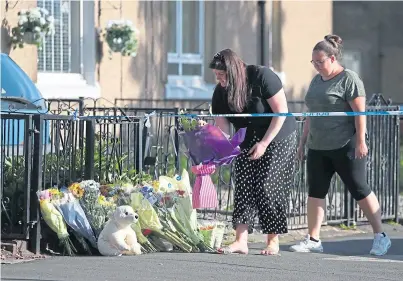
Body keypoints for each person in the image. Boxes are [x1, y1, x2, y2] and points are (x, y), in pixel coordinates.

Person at [289, 35, 391, 256]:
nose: (316, 66)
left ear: (332, 58)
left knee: (359, 188)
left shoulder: (349, 79)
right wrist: (302, 143)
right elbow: (311, 114)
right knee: (315, 192)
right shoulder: (317, 81)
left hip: (346, 144)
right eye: (313, 63)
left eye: (320, 62)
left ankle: (380, 236)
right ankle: (314, 239)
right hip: (318, 146)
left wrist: (361, 142)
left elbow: (359, 113)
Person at [209, 48, 297, 255]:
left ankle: (272, 240)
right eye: (216, 76)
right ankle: (241, 240)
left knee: (267, 185)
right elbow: (222, 127)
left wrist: (265, 143)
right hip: (247, 136)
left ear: (233, 70)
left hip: (277, 135)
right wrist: (222, 149)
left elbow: (281, 111)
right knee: (244, 184)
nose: (219, 79)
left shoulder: (261, 76)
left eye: (222, 75)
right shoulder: (220, 92)